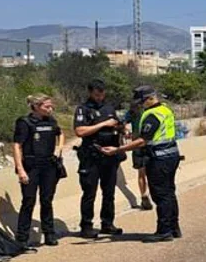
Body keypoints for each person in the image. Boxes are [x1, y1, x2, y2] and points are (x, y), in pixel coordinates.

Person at [102, 86, 180, 242]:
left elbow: (142, 140)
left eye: (142, 102)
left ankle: (164, 230)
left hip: (159, 158)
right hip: (171, 155)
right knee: (169, 192)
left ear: (150, 98)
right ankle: (173, 227)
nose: (140, 105)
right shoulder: (165, 109)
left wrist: (118, 149)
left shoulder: (153, 115)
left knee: (161, 195)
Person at [74, 78, 125, 239]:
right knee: (89, 192)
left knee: (109, 192)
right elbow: (80, 131)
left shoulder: (109, 107)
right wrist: (103, 125)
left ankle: (107, 223)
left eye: (102, 94)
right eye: (97, 94)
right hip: (91, 155)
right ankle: (86, 225)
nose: (100, 97)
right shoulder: (83, 109)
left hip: (109, 155)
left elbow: (116, 124)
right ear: (90, 93)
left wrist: (119, 127)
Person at [11, 93, 64, 249]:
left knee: (46, 200)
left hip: (49, 166)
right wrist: (20, 169)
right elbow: (16, 146)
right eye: (47, 106)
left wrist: (59, 149)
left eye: (51, 106)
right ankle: (22, 238)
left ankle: (49, 233)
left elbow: (60, 133)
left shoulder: (51, 121)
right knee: (28, 201)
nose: (50, 109)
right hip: (31, 166)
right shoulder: (25, 123)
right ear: (36, 107)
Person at [122, 97, 153, 211]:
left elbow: (122, 123)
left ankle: (143, 195)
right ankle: (148, 194)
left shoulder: (132, 111)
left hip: (136, 144)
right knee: (152, 171)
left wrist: (126, 131)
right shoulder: (150, 110)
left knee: (141, 172)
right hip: (149, 143)